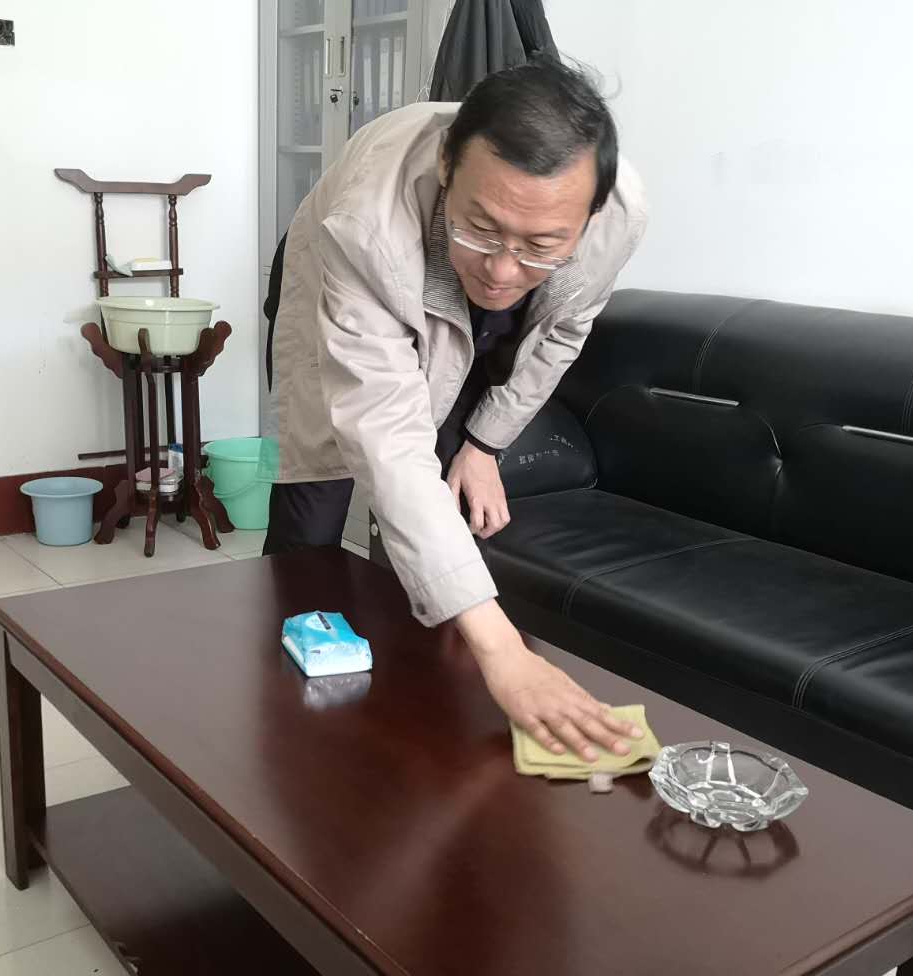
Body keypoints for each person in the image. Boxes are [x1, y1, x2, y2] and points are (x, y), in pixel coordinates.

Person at [261, 56, 647, 763]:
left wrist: (485, 443)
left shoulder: (617, 219)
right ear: (445, 166)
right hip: (339, 275)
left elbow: (560, 334)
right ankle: (293, 733)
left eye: (540, 245)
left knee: (446, 484)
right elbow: (384, 430)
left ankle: (419, 725)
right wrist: (504, 650)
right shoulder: (368, 223)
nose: (502, 270)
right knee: (317, 494)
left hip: (463, 282)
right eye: (482, 227)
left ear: (589, 217)